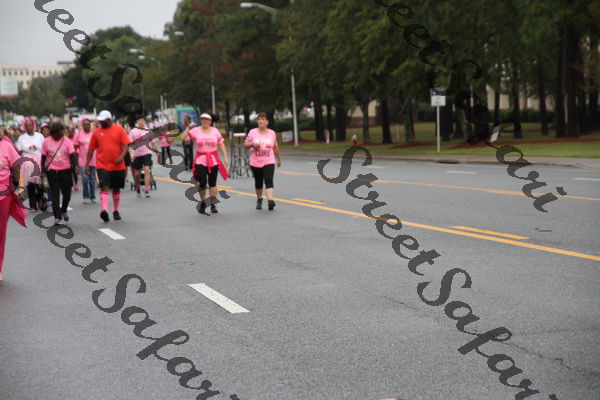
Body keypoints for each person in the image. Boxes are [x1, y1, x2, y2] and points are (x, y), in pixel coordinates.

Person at [86, 110, 131, 222]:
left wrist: (122, 156)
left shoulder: (119, 129)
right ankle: (104, 210)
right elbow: (91, 149)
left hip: (118, 165)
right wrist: (87, 164)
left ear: (109, 119)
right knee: (104, 187)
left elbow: (126, 144)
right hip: (102, 165)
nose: (100, 122)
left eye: (103, 120)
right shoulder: (96, 133)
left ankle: (115, 210)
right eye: (100, 120)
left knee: (116, 188)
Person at [182, 113, 228, 215]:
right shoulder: (195, 130)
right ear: (200, 120)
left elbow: (221, 144)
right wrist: (188, 127)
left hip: (213, 160)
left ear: (210, 121)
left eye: (207, 119)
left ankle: (213, 204)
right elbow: (184, 138)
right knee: (202, 183)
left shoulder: (215, 131)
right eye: (202, 119)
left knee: (212, 183)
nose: (204, 121)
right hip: (200, 160)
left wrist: (225, 157)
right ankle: (203, 202)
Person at [0, 127, 27, 281]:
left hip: (3, 196)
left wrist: (21, 187)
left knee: (0, 232)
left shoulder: (6, 146)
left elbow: (17, 170)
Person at [41, 122, 78, 226]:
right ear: (54, 133)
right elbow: (43, 157)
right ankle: (57, 217)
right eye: (60, 131)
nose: (62, 133)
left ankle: (64, 209)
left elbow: (72, 156)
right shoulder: (46, 142)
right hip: (52, 171)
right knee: (55, 194)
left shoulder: (67, 141)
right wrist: (43, 171)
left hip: (65, 170)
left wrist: (75, 166)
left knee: (67, 193)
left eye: (63, 131)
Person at [244, 113, 281, 210]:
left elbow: (275, 147)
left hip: (269, 161)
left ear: (267, 122)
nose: (260, 121)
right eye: (259, 119)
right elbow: (245, 145)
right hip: (255, 162)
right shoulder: (252, 132)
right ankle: (259, 199)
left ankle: (270, 200)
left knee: (269, 180)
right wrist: (252, 144)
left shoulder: (272, 133)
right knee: (258, 182)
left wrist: (278, 159)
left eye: (263, 119)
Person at [15, 118, 45, 211]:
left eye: (30, 125)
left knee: (40, 184)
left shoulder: (39, 136)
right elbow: (19, 149)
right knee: (30, 185)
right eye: (27, 125)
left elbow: (44, 147)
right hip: (27, 162)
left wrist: (36, 148)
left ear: (33, 126)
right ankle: (32, 204)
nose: (28, 127)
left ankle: (40, 200)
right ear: (24, 127)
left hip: (39, 160)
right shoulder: (22, 138)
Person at [129, 116, 158, 198]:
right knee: (137, 174)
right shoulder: (133, 132)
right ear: (137, 122)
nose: (141, 122)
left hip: (147, 153)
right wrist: (131, 154)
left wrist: (158, 155)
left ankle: (146, 190)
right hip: (137, 155)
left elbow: (153, 144)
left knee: (147, 170)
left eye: (142, 120)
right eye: (139, 120)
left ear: (145, 122)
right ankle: (138, 187)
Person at [74, 119, 96, 204]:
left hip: (93, 160)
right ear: (82, 126)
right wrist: (76, 157)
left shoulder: (93, 134)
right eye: (84, 125)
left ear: (90, 125)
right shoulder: (79, 134)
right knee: (85, 179)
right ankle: (86, 196)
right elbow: (75, 145)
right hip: (83, 160)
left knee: (92, 179)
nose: (86, 126)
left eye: (88, 124)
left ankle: (92, 196)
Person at [67, 125, 79, 191]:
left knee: (74, 171)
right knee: (69, 171)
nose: (70, 133)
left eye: (71, 131)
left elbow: (77, 146)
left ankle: (76, 183)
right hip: (67, 156)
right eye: (69, 131)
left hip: (74, 155)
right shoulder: (66, 139)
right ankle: (70, 183)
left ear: (73, 132)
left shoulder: (75, 138)